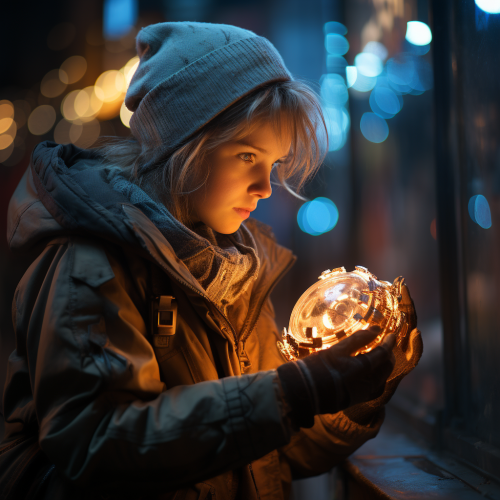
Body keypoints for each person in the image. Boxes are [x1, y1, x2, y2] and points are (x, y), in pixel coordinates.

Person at [0, 22, 422, 500]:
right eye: (247, 155)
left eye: (274, 164)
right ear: (184, 147)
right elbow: (98, 441)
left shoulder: (234, 269)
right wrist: (298, 390)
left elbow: (278, 449)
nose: (265, 187)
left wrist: (356, 391)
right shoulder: (90, 264)